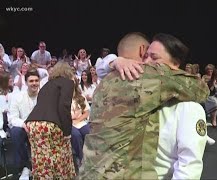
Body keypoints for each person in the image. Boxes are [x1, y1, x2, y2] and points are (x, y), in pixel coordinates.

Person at [80, 32, 209, 179]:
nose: (147, 63)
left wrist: (114, 60)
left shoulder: (187, 106)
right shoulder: (140, 83)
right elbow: (202, 89)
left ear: (175, 65)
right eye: (146, 56)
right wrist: (116, 61)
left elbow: (189, 165)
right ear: (142, 51)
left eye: (154, 58)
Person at [24, 62, 75, 179]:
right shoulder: (67, 83)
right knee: (62, 155)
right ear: (68, 72)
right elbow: (64, 107)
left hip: (33, 124)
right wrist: (67, 132)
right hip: (50, 125)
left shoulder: (46, 85)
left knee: (41, 160)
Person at [8, 69, 40, 179]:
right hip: (24, 128)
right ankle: (25, 167)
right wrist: (24, 124)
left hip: (41, 127)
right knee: (15, 132)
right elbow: (12, 118)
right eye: (31, 81)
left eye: (36, 80)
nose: (34, 83)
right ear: (26, 83)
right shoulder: (17, 97)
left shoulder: (44, 96)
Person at [70, 77, 90, 173]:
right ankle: (81, 159)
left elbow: (86, 112)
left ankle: (90, 157)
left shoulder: (81, 97)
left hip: (80, 121)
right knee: (76, 135)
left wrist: (78, 120)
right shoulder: (63, 97)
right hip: (68, 123)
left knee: (88, 132)